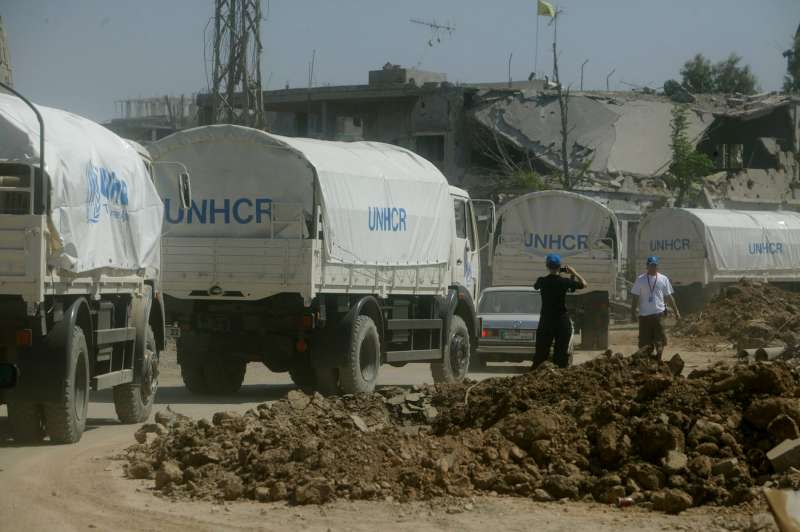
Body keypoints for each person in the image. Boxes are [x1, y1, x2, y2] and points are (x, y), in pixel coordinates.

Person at [533, 253, 588, 368]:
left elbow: (536, 286)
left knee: (540, 354)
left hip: (546, 321)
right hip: (561, 321)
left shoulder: (542, 281)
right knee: (561, 355)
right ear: (560, 266)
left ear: (547, 266)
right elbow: (584, 284)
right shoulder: (564, 282)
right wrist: (573, 272)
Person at [630, 256, 681, 359]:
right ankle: (646, 362)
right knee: (644, 343)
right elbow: (635, 298)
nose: (653, 267)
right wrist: (633, 312)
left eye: (655, 265)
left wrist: (677, 312)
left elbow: (670, 297)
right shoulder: (640, 280)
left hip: (658, 315)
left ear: (657, 266)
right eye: (651, 265)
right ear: (647, 266)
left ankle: (658, 360)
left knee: (660, 340)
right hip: (644, 316)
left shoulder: (663, 279)